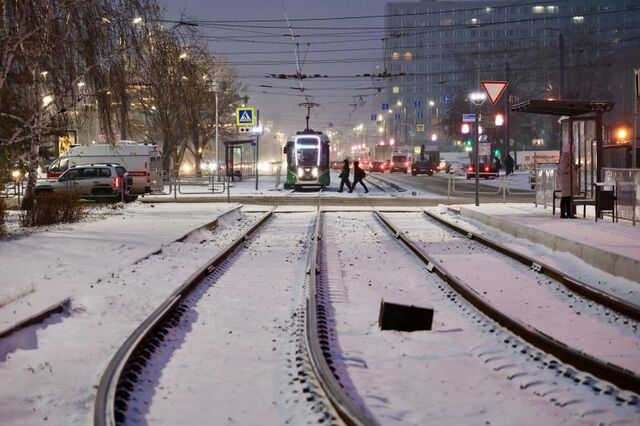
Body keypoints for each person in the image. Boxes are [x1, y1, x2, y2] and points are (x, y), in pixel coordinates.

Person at [558, 144, 579, 218]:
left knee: (568, 198)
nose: (573, 151)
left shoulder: (568, 158)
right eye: (572, 149)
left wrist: (574, 167)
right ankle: (564, 213)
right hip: (567, 182)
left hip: (569, 181)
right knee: (565, 198)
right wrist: (573, 167)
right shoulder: (564, 158)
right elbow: (564, 169)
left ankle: (569, 213)